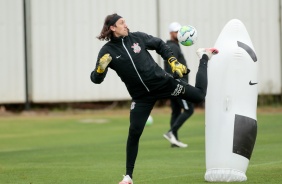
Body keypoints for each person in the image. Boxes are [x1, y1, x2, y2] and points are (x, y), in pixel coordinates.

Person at [90, 13, 218, 184]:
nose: (126, 25)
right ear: (113, 28)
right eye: (122, 23)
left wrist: (172, 61)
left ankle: (204, 56)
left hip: (164, 84)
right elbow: (96, 80)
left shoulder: (138, 38)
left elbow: (159, 44)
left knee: (199, 95)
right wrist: (100, 69)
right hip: (141, 97)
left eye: (125, 22)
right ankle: (128, 177)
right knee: (134, 132)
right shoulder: (107, 52)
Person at [163, 22, 194, 148]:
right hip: (178, 85)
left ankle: (174, 140)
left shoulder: (173, 46)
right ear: (171, 33)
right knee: (189, 109)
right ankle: (171, 133)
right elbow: (173, 66)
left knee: (176, 111)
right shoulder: (173, 47)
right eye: (176, 32)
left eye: (179, 32)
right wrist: (179, 83)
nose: (178, 34)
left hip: (172, 84)